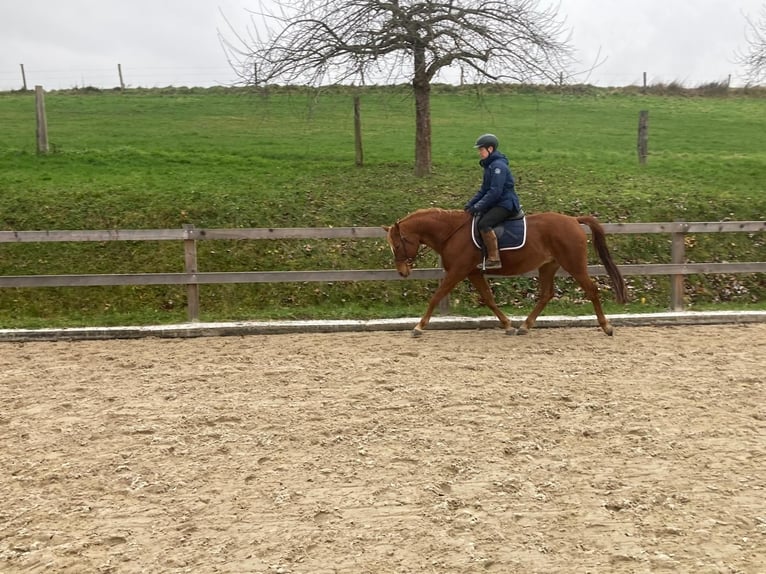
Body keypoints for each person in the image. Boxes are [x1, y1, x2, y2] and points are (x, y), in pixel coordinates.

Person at [464, 133, 523, 270]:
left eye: (481, 149)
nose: (479, 153)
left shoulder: (498, 167)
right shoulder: (489, 166)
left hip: (506, 204)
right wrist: (470, 204)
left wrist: (478, 206)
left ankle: (494, 258)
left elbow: (495, 192)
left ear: (490, 149)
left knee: (484, 223)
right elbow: (484, 190)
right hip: (497, 202)